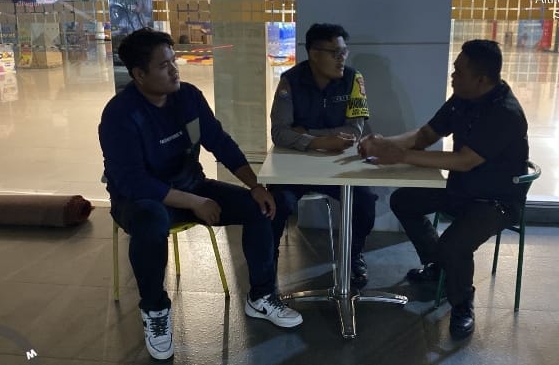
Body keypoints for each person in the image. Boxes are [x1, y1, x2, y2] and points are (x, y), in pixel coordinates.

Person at [99, 28, 302, 360]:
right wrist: (195, 202)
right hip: (140, 201)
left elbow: (218, 141)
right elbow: (134, 182)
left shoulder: (188, 97)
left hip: (192, 186)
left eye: (173, 61)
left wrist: (255, 186)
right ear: (139, 75)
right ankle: (155, 311)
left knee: (262, 207)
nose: (174, 70)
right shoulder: (120, 115)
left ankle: (261, 297)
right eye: (164, 65)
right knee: (150, 221)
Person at [358, 39, 529, 340]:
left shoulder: (505, 113)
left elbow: (464, 161)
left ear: (482, 80)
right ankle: (438, 265)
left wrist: (400, 155)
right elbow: (426, 134)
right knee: (404, 201)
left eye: (459, 72)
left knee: (454, 245)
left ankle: (462, 304)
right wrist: (385, 144)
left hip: (496, 201)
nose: (453, 75)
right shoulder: (462, 98)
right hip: (462, 189)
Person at [270, 23, 378, 286]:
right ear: (314, 53)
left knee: (365, 203)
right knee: (275, 204)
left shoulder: (354, 79)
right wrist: (322, 141)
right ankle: (268, 259)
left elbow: (354, 131)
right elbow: (279, 133)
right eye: (334, 53)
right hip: (295, 167)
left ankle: (353, 255)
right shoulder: (290, 81)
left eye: (344, 52)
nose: (342, 59)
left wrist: (306, 134)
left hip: (338, 165)